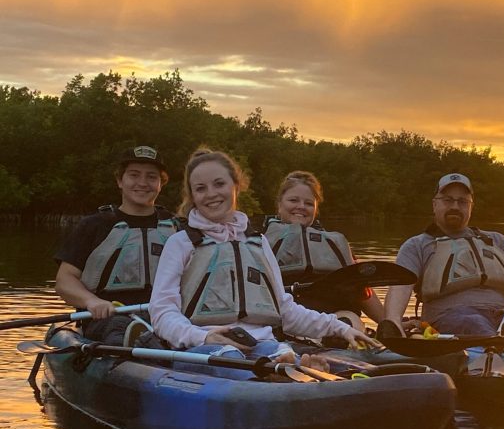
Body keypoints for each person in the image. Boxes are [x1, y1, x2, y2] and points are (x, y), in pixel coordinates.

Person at [149, 149, 377, 378]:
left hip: (261, 344)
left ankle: (294, 370)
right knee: (232, 357)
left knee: (276, 351)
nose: (211, 194)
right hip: (202, 348)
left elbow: (284, 310)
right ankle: (285, 375)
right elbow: (162, 312)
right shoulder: (180, 243)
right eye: (201, 188)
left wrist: (340, 327)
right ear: (192, 195)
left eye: (219, 184)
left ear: (236, 185)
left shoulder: (258, 242)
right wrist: (202, 336)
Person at [383, 172, 504, 336]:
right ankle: (496, 353)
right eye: (448, 200)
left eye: (462, 201)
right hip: (451, 317)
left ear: (471, 206)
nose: (455, 206)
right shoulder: (417, 245)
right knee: (474, 323)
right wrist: (393, 321)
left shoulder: (497, 240)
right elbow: (400, 288)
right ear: (434, 205)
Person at [55, 145, 176, 345]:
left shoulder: (176, 228)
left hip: (165, 317)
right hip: (106, 319)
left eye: (151, 177)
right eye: (134, 175)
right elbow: (64, 281)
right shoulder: (94, 225)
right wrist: (92, 301)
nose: (142, 183)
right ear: (120, 181)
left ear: (161, 184)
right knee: (120, 327)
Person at [264, 170, 384, 329]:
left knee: (349, 321)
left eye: (308, 203)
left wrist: (388, 321)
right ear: (279, 205)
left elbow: (361, 289)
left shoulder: (335, 244)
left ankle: (339, 341)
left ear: (316, 209)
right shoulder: (260, 242)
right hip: (286, 318)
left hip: (337, 316)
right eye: (293, 200)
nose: (301, 207)